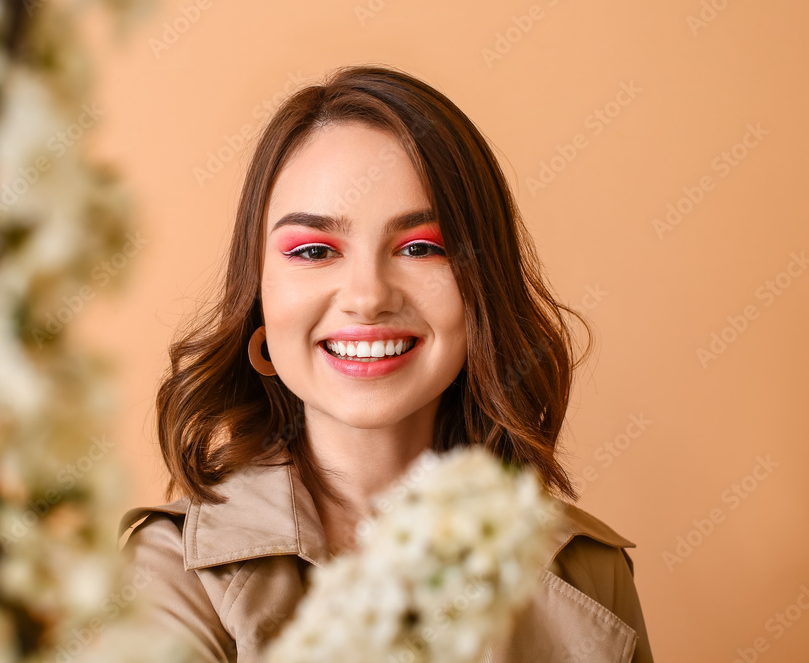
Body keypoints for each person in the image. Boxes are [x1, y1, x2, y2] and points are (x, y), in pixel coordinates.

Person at [118, 64, 654, 662]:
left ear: (480, 288)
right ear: (260, 300)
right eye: (315, 251)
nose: (369, 295)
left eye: (421, 247)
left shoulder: (589, 573)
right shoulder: (173, 573)